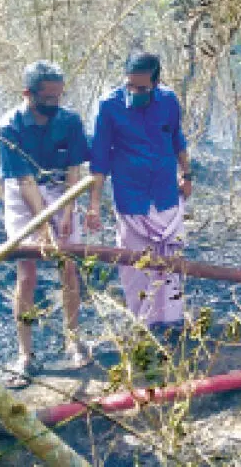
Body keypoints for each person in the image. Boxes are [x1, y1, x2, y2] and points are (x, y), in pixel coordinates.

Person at [0, 61, 89, 388]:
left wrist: (66, 212)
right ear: (28, 94)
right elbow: (24, 182)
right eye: (47, 98)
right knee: (28, 271)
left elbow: (75, 170)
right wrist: (43, 227)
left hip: (62, 189)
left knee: (68, 265)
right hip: (24, 193)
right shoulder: (9, 126)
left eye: (58, 97)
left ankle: (73, 339)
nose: (54, 103)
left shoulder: (71, 121)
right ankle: (26, 353)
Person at [86, 52, 192, 327]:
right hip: (131, 199)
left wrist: (187, 173)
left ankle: (171, 321)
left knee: (171, 260)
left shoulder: (168, 101)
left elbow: (177, 138)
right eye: (130, 85)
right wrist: (94, 205)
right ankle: (144, 323)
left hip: (166, 195)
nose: (134, 92)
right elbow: (99, 159)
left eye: (142, 88)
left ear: (156, 83)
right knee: (136, 267)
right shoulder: (109, 106)